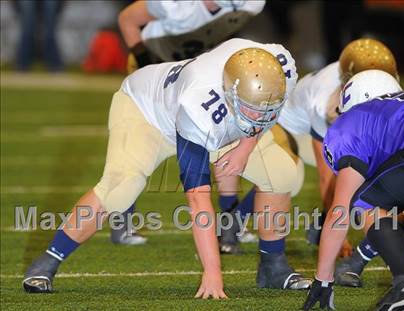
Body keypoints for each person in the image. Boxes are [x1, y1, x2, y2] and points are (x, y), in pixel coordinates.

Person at [22, 38, 311, 296]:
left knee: (282, 173)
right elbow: (198, 200)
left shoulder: (278, 68)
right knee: (121, 188)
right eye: (253, 109)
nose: (261, 115)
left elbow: (266, 110)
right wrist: (213, 272)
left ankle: (273, 265)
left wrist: (245, 148)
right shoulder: (198, 106)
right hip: (147, 113)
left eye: (266, 108)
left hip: (219, 123)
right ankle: (49, 259)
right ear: (231, 94)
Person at [218, 38, 399, 258]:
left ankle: (321, 226)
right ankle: (233, 223)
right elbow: (327, 176)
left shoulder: (364, 78)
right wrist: (339, 235)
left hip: (315, 124)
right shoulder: (325, 101)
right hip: (287, 125)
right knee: (286, 173)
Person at [113, 0, 265, 245]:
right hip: (156, 67)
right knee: (140, 147)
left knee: (226, 135)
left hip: (198, 68)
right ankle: (123, 220)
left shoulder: (251, 4)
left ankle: (228, 221)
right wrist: (143, 59)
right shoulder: (175, 5)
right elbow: (127, 20)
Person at [302, 70, 404, 311]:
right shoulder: (402, 111)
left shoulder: (351, 124)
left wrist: (323, 277)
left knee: (363, 202)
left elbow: (340, 210)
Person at [119, 0, 265, 73]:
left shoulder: (251, 4)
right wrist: (145, 66)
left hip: (191, 62)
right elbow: (127, 20)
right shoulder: (178, 6)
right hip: (152, 57)